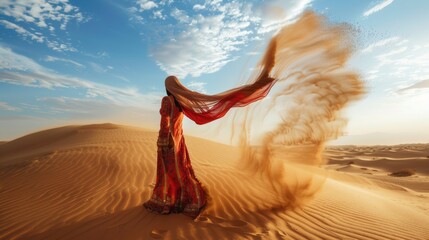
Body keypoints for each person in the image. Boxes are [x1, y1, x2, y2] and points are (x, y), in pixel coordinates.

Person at [144, 39, 278, 218]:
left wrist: (162, 142)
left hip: (168, 142)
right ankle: (187, 200)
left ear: (168, 88)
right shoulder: (181, 103)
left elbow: (165, 123)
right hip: (179, 141)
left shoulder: (167, 100)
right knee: (181, 170)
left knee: (170, 172)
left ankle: (170, 201)